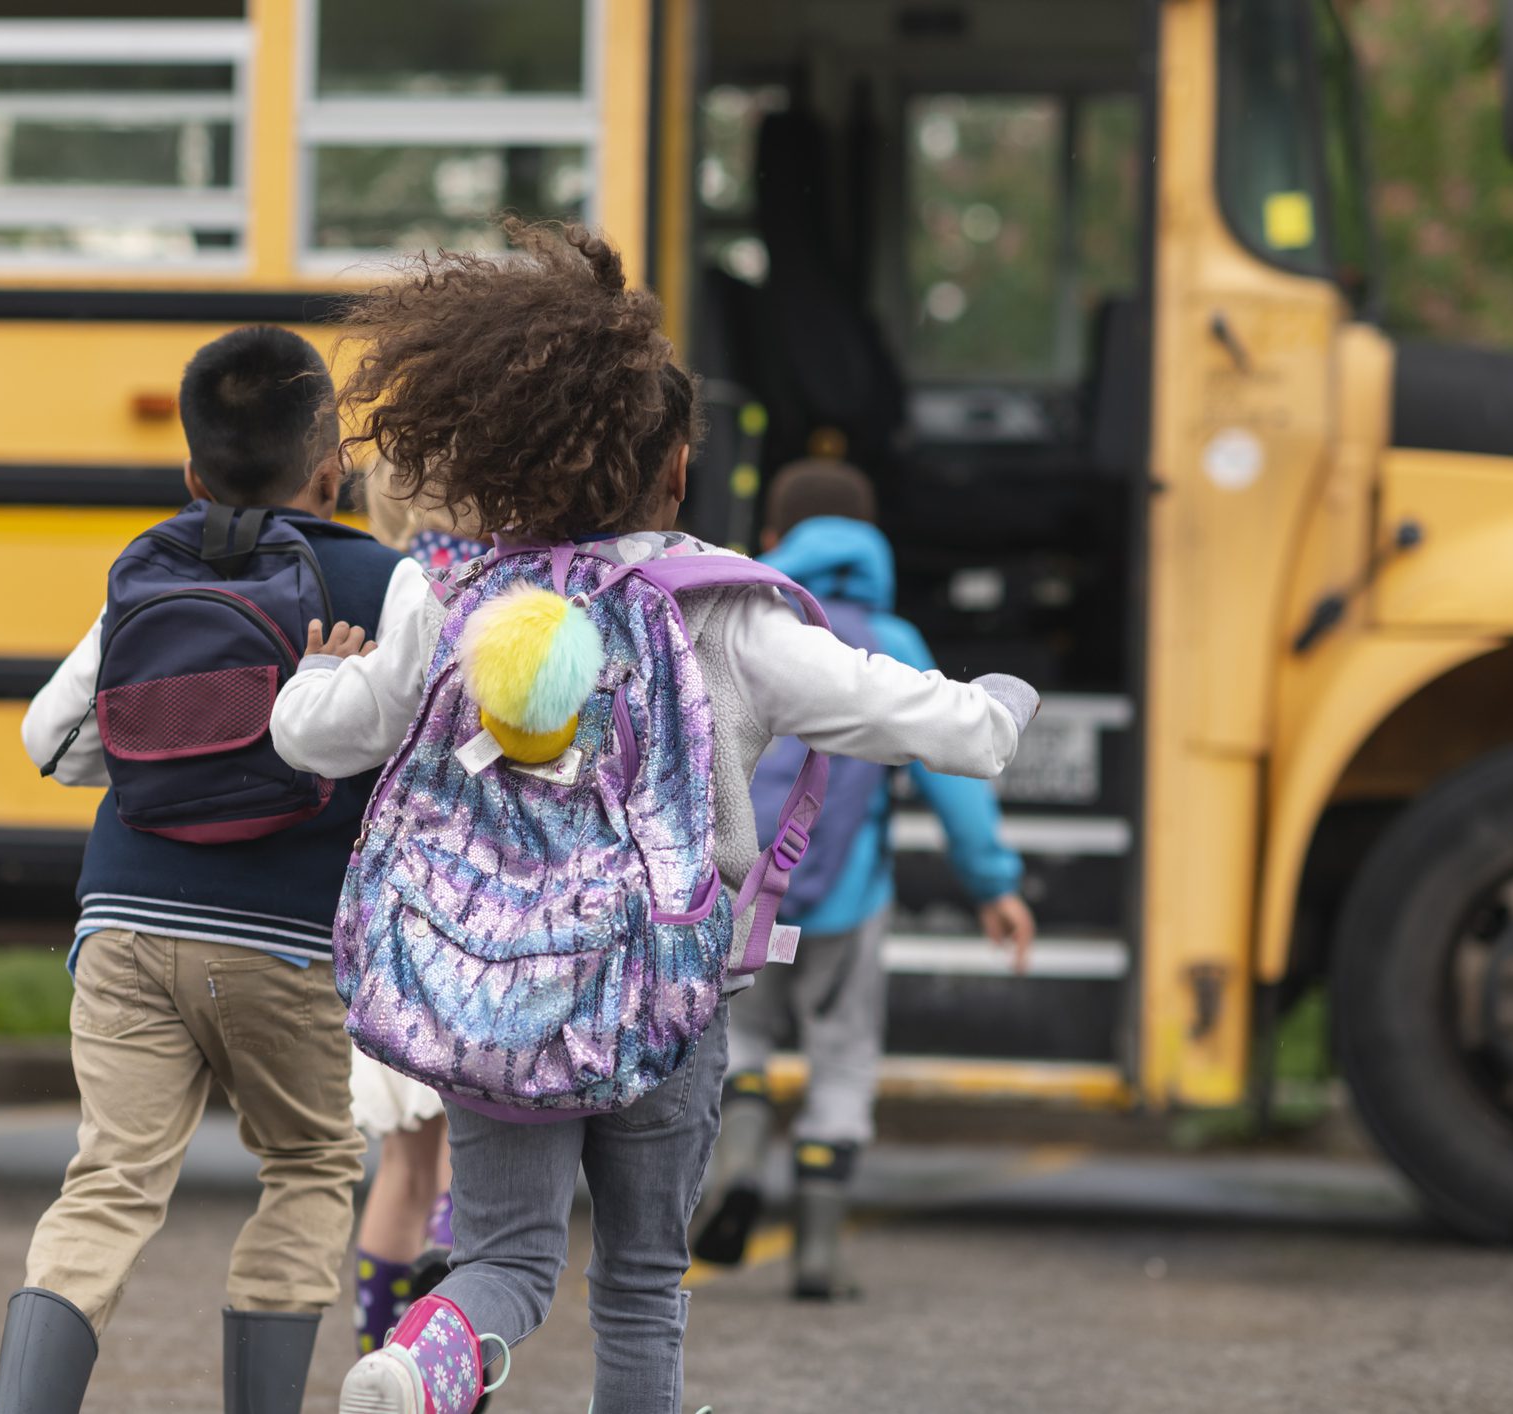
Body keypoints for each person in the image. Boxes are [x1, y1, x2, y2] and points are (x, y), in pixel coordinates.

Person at [270, 220, 1037, 1414]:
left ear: (502, 461)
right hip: (661, 1004)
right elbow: (909, 715)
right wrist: (997, 710)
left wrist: (314, 682)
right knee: (640, 1278)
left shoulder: (445, 590)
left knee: (506, 1260)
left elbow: (320, 735)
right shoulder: (727, 612)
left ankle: (427, 1361)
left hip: (491, 993)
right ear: (678, 467)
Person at [0, 326, 402, 1414]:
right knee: (309, 1165)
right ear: (333, 468)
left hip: (123, 924)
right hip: (287, 942)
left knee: (110, 1181)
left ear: (190, 470)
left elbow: (51, 741)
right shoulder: (382, 580)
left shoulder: (148, 564)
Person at [690, 459, 1037, 1301]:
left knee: (746, 1040)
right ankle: (816, 1253)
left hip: (742, 891)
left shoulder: (750, 626)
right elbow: (955, 779)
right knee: (841, 1057)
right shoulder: (895, 639)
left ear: (774, 541)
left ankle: (736, 1161)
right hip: (847, 896)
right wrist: (992, 884)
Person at [345, 461, 488, 1359]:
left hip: (390, 908)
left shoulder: (384, 591)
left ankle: (377, 1363)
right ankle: (434, 1368)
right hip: (483, 916)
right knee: (474, 1174)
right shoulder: (501, 596)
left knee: (403, 1160)